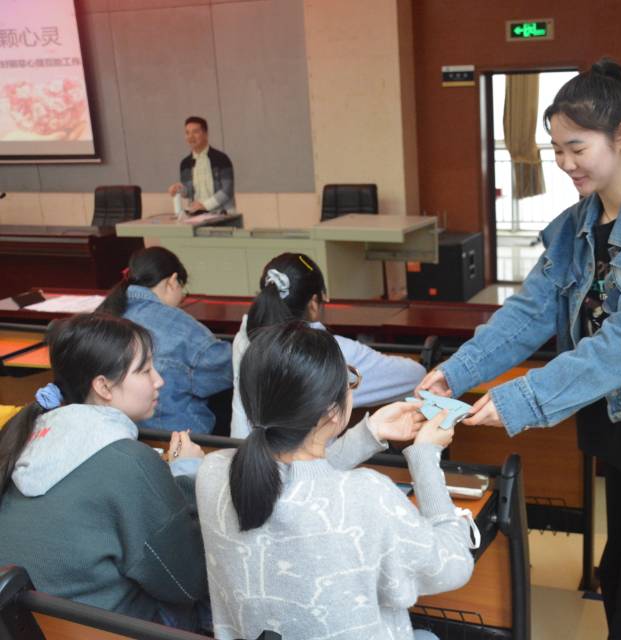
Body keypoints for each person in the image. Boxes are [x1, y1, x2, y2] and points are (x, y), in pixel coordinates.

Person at [417, 58, 621, 639]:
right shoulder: (576, 224)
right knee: (620, 578)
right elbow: (530, 313)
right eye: (556, 149)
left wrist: (519, 399)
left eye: (577, 148)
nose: (565, 163)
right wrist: (455, 372)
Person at [197, 321, 475, 640]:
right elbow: (453, 566)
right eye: (349, 380)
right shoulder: (367, 494)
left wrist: (369, 434)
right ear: (332, 410)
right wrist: (425, 456)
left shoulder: (213, 472)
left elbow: (300, 485)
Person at [0, 313, 207, 628]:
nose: (159, 380)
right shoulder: (130, 462)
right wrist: (186, 474)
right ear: (103, 386)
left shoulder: (22, 438)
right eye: (145, 370)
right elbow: (187, 582)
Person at [229, 252, 425, 438]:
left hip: (241, 451)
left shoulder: (244, 338)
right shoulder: (328, 351)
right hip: (305, 461)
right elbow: (415, 376)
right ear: (313, 303)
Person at [98, 247, 233, 434]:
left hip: (118, 432)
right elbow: (230, 369)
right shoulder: (179, 325)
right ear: (172, 281)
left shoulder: (105, 314)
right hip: (178, 437)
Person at [167, 115, 235, 214]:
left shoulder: (222, 159)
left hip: (223, 214)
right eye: (187, 133)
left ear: (205, 134)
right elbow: (188, 192)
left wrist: (205, 205)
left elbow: (227, 190)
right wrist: (179, 189)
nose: (190, 137)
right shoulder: (185, 163)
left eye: (195, 132)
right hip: (197, 215)